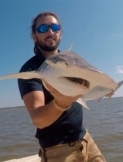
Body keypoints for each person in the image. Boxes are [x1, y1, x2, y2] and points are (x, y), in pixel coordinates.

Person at [18, 11, 106, 162]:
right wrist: (61, 102)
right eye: (42, 28)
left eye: (54, 27)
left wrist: (103, 89)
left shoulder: (75, 60)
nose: (50, 32)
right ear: (34, 36)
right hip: (58, 151)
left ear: (60, 33)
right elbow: (38, 119)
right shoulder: (30, 70)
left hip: (86, 139)